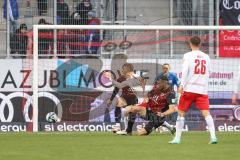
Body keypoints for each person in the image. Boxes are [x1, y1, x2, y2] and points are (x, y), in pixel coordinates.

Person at [169, 36, 217, 144]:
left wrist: (181, 85)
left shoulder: (187, 55)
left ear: (190, 44)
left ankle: (177, 138)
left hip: (189, 89)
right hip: (202, 90)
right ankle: (213, 137)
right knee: (206, 114)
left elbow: (185, 70)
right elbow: (210, 72)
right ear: (200, 44)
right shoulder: (206, 56)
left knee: (181, 113)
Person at [105, 63, 140, 133]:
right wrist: (111, 99)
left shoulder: (136, 77)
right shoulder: (120, 78)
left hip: (133, 98)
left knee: (131, 114)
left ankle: (128, 130)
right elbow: (116, 89)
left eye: (123, 69)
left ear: (128, 70)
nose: (122, 70)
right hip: (125, 97)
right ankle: (117, 125)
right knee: (118, 103)